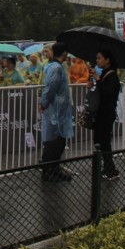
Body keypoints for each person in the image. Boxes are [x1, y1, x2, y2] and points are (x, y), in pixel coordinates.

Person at [39, 42, 73, 182]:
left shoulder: (57, 66)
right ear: (64, 53)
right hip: (55, 110)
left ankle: (55, 168)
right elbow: (50, 88)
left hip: (59, 110)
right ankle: (48, 171)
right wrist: (43, 103)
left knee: (59, 141)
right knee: (53, 142)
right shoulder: (56, 68)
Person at [91, 49, 121, 180]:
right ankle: (108, 167)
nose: (97, 61)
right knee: (99, 141)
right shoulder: (104, 73)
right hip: (101, 113)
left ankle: (110, 169)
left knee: (104, 142)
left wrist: (98, 80)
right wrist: (92, 84)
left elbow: (107, 93)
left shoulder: (112, 76)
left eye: (99, 58)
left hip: (106, 114)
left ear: (107, 60)